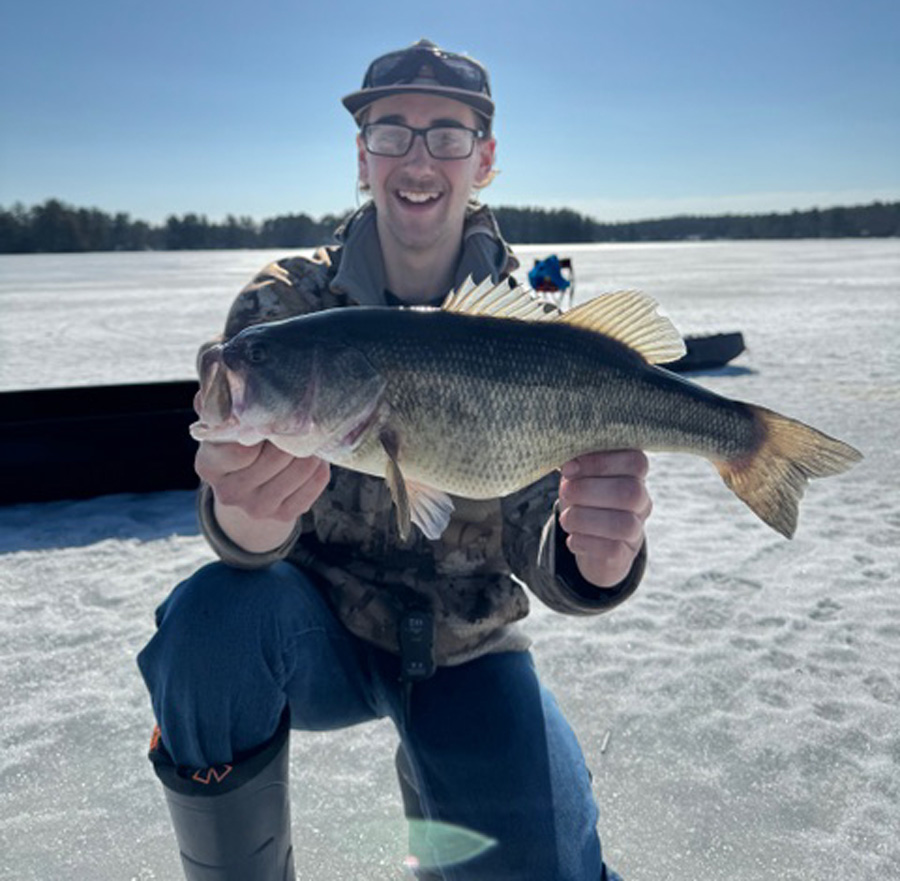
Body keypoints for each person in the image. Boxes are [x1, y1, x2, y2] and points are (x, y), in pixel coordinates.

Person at [138, 38, 652, 881]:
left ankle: (455, 794)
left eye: (446, 135)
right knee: (209, 625)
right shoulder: (283, 309)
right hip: (315, 633)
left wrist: (594, 558)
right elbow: (240, 516)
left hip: (466, 644)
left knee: (542, 863)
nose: (418, 157)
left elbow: (537, 529)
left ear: (483, 160)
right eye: (391, 132)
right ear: (362, 156)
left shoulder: (524, 334)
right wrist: (244, 520)